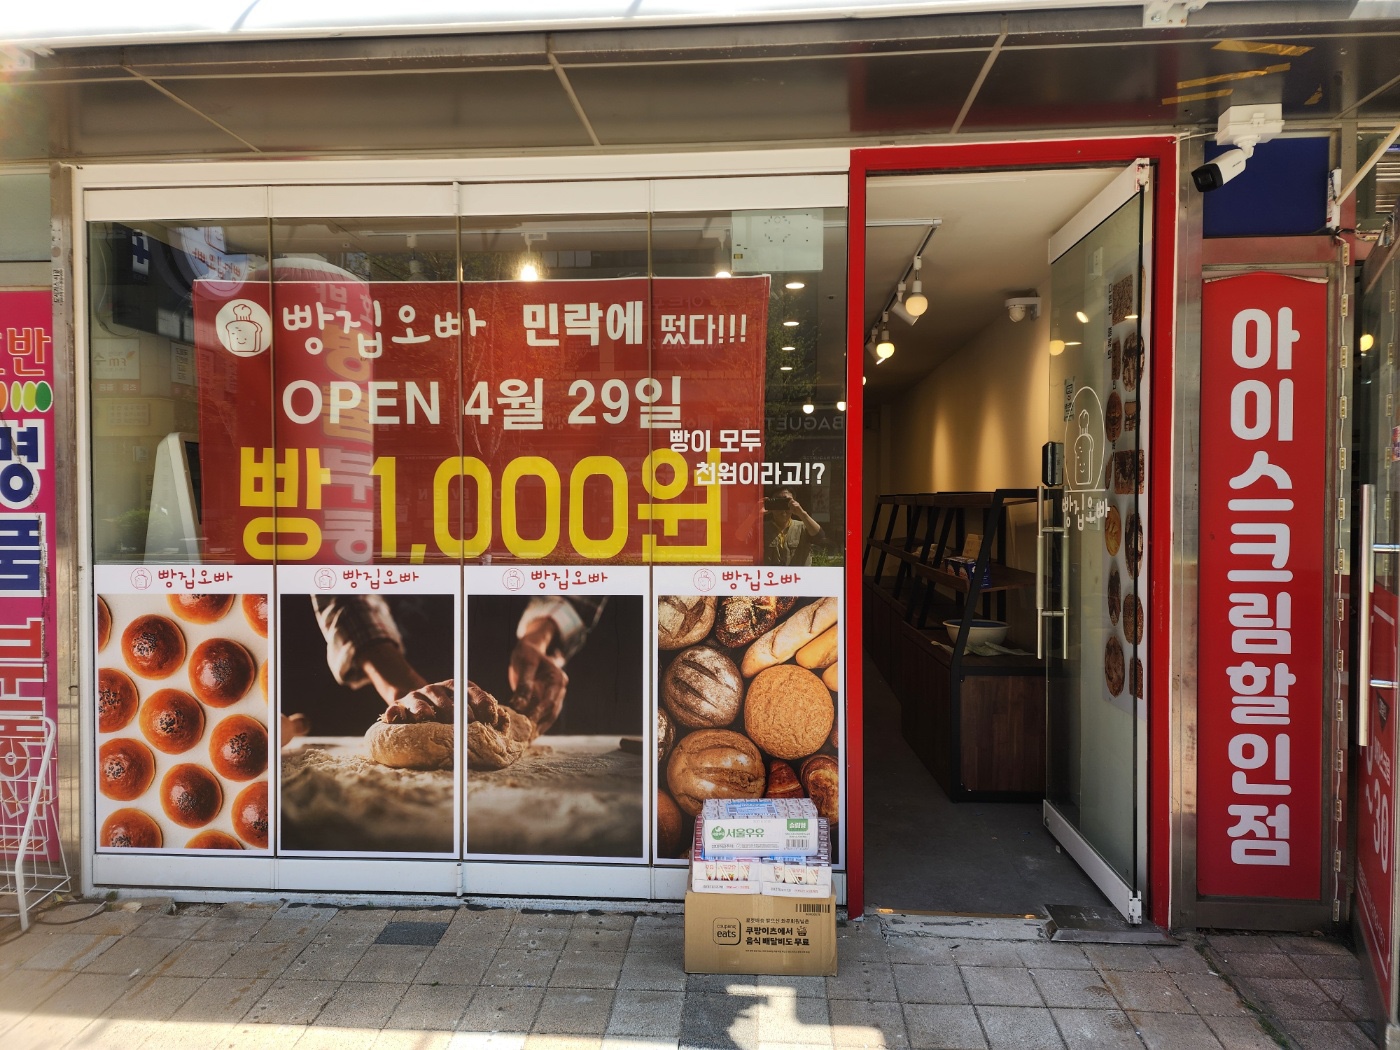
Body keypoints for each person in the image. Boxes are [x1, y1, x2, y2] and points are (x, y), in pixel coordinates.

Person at [280, 594, 606, 742]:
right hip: (390, 674)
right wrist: (403, 688)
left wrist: (538, 638)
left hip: (517, 670)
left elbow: (580, 562)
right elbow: (342, 578)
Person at [763, 488, 825, 566]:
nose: (783, 509)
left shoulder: (803, 527)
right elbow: (745, 541)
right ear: (771, 504)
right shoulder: (761, 529)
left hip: (798, 574)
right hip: (771, 574)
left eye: (786, 502)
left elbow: (820, 537)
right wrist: (754, 514)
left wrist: (801, 513)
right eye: (779, 502)